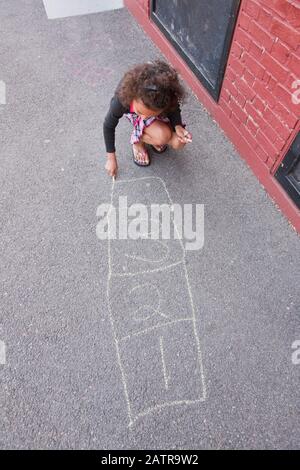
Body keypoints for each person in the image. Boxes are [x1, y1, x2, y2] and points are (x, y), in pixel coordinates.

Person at [103, 60, 192, 178]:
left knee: (177, 143)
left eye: (149, 115)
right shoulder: (121, 101)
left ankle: (152, 132)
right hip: (132, 112)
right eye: (141, 112)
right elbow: (108, 126)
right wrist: (111, 159)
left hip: (151, 110)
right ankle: (138, 142)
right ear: (133, 97)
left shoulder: (163, 96)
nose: (143, 118)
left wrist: (178, 126)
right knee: (162, 136)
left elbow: (174, 107)